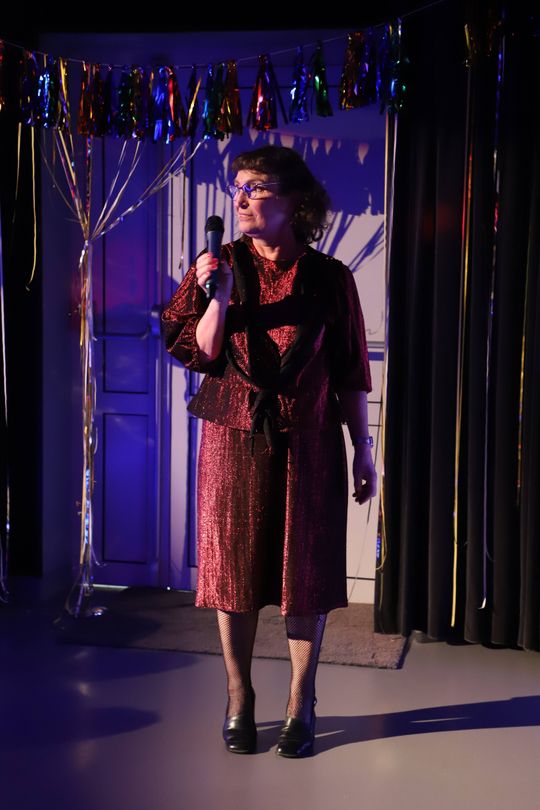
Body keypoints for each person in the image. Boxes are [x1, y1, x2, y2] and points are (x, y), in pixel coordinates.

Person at [161, 144, 377, 758]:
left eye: (255, 187)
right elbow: (200, 351)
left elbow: (350, 372)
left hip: (309, 441)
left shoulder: (330, 277)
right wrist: (219, 296)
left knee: (305, 571)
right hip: (232, 439)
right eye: (237, 187)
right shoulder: (219, 263)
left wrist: (363, 449)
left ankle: (300, 700)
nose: (240, 198)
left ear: (294, 201)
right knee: (232, 571)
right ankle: (239, 695)